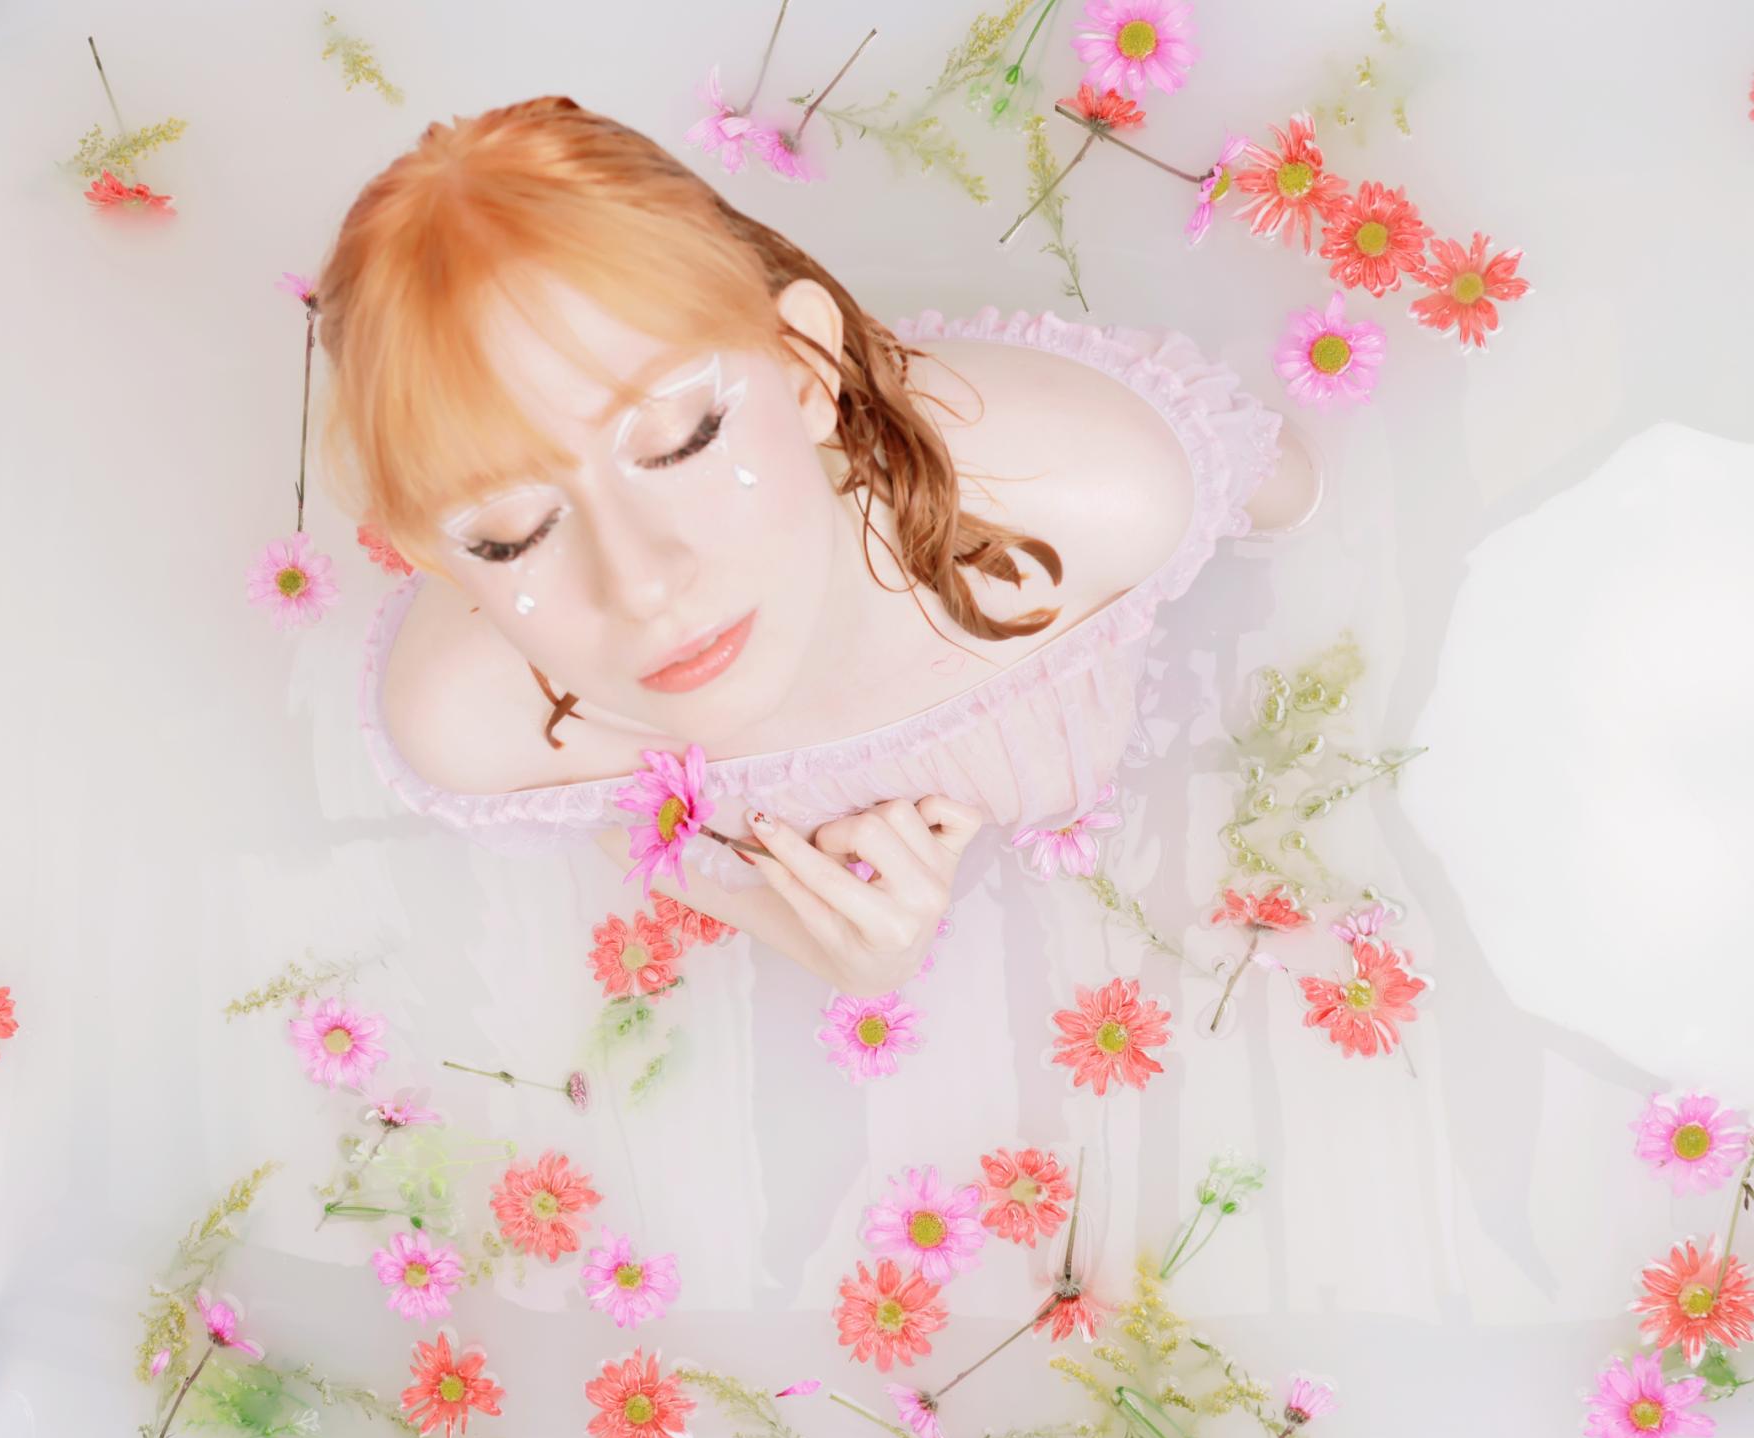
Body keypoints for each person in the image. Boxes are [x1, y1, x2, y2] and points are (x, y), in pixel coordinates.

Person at [319, 96, 1314, 997]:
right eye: (510, 535)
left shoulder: (1100, 491)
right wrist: (856, 960)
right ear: (434, 555)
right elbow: (636, 838)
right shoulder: (474, 728)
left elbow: (1292, 490)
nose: (641, 586)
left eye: (682, 440)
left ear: (805, 368)